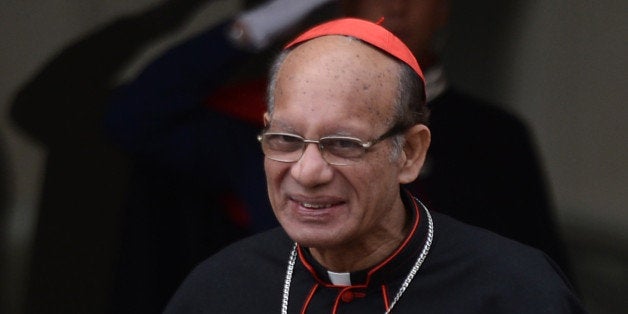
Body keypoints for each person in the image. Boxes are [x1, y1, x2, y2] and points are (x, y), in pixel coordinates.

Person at [164, 18, 586, 313]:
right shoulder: (218, 288)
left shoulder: (515, 290)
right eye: (286, 140)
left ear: (410, 153)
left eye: (344, 144)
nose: (307, 172)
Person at [340, 0, 573, 277]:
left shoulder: (498, 137)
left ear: (442, 9)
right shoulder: (317, 132)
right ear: (350, 8)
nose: (397, 7)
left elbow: (544, 278)